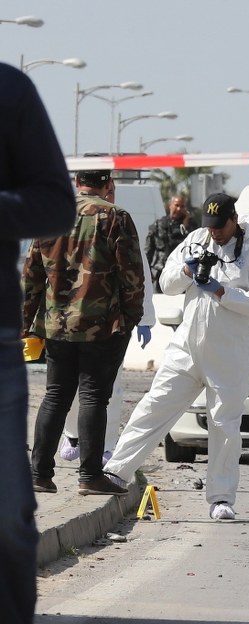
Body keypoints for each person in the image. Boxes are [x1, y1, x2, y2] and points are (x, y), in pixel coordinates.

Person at [103, 193, 249, 520]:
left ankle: (221, 498)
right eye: (209, 227)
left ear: (234, 219)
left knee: (224, 426)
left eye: (220, 226)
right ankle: (116, 472)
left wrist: (221, 290)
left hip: (229, 354)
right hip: (187, 347)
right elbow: (165, 284)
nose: (215, 233)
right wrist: (187, 269)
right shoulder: (197, 238)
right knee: (154, 405)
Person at [1, 62, 75, 624]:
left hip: (6, 344)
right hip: (53, 326)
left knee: (6, 517)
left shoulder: (9, 91)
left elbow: (55, 204)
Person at [23, 166, 145, 498]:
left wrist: (25, 321)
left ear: (77, 183)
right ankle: (90, 476)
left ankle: (40, 474)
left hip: (57, 325)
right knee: (93, 396)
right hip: (102, 326)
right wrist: (131, 318)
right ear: (108, 183)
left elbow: (32, 274)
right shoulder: (116, 217)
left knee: (55, 396)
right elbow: (131, 274)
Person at [58, 183, 158, 465]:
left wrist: (144, 319)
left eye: (112, 192)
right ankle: (73, 434)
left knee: (110, 388)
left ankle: (105, 445)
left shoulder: (122, 224)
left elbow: (141, 275)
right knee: (72, 385)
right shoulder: (67, 223)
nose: (108, 197)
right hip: (73, 321)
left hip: (111, 323)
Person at [146, 194, 198, 292]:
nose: (179, 209)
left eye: (182, 206)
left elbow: (195, 247)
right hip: (162, 272)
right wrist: (148, 272)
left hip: (184, 274)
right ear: (170, 205)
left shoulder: (191, 226)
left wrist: (186, 225)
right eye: (176, 205)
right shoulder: (158, 225)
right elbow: (148, 251)